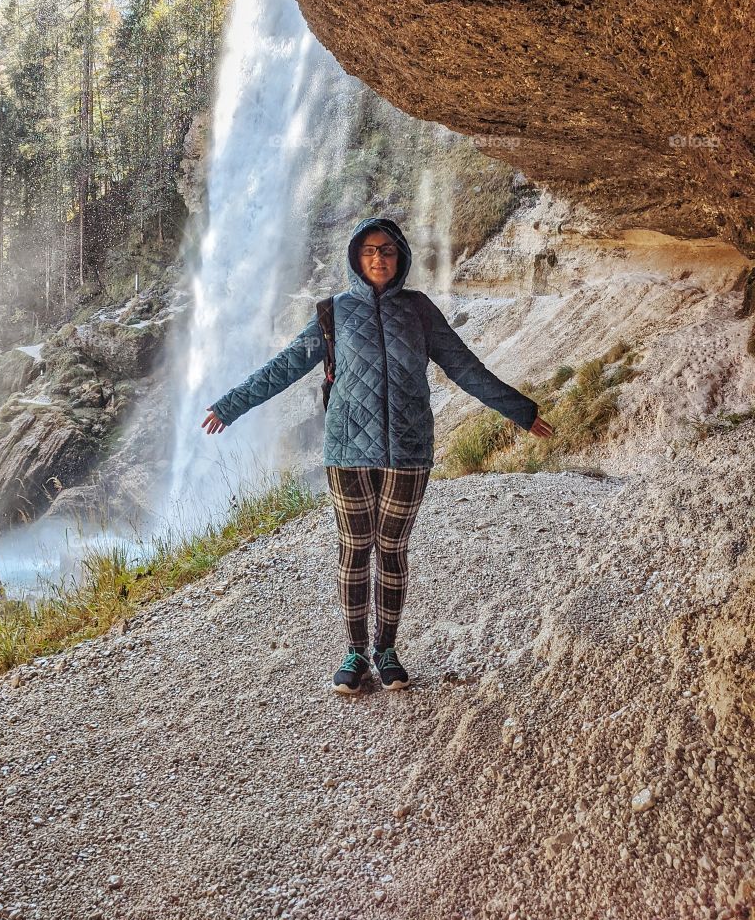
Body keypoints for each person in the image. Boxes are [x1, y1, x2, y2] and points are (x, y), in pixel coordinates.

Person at [201, 216, 554, 695]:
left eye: (387, 250)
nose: (378, 258)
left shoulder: (420, 311)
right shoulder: (334, 313)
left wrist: (521, 411)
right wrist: (229, 406)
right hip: (347, 450)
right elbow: (284, 367)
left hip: (408, 451)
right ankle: (354, 652)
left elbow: (466, 368)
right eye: (369, 251)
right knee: (353, 550)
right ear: (355, 257)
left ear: (401, 256)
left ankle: (386, 651)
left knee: (391, 550)